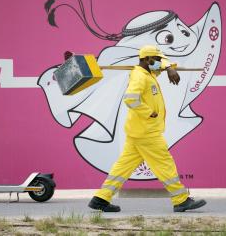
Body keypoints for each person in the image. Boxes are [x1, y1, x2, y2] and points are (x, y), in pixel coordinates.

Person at [88, 45, 207, 212]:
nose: (158, 62)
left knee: (123, 167)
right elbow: (130, 99)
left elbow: (163, 62)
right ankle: (181, 200)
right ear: (146, 59)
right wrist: (149, 112)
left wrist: (169, 67)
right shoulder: (140, 76)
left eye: (159, 59)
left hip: (138, 131)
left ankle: (101, 198)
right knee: (165, 164)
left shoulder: (148, 72)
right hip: (146, 132)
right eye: (156, 59)